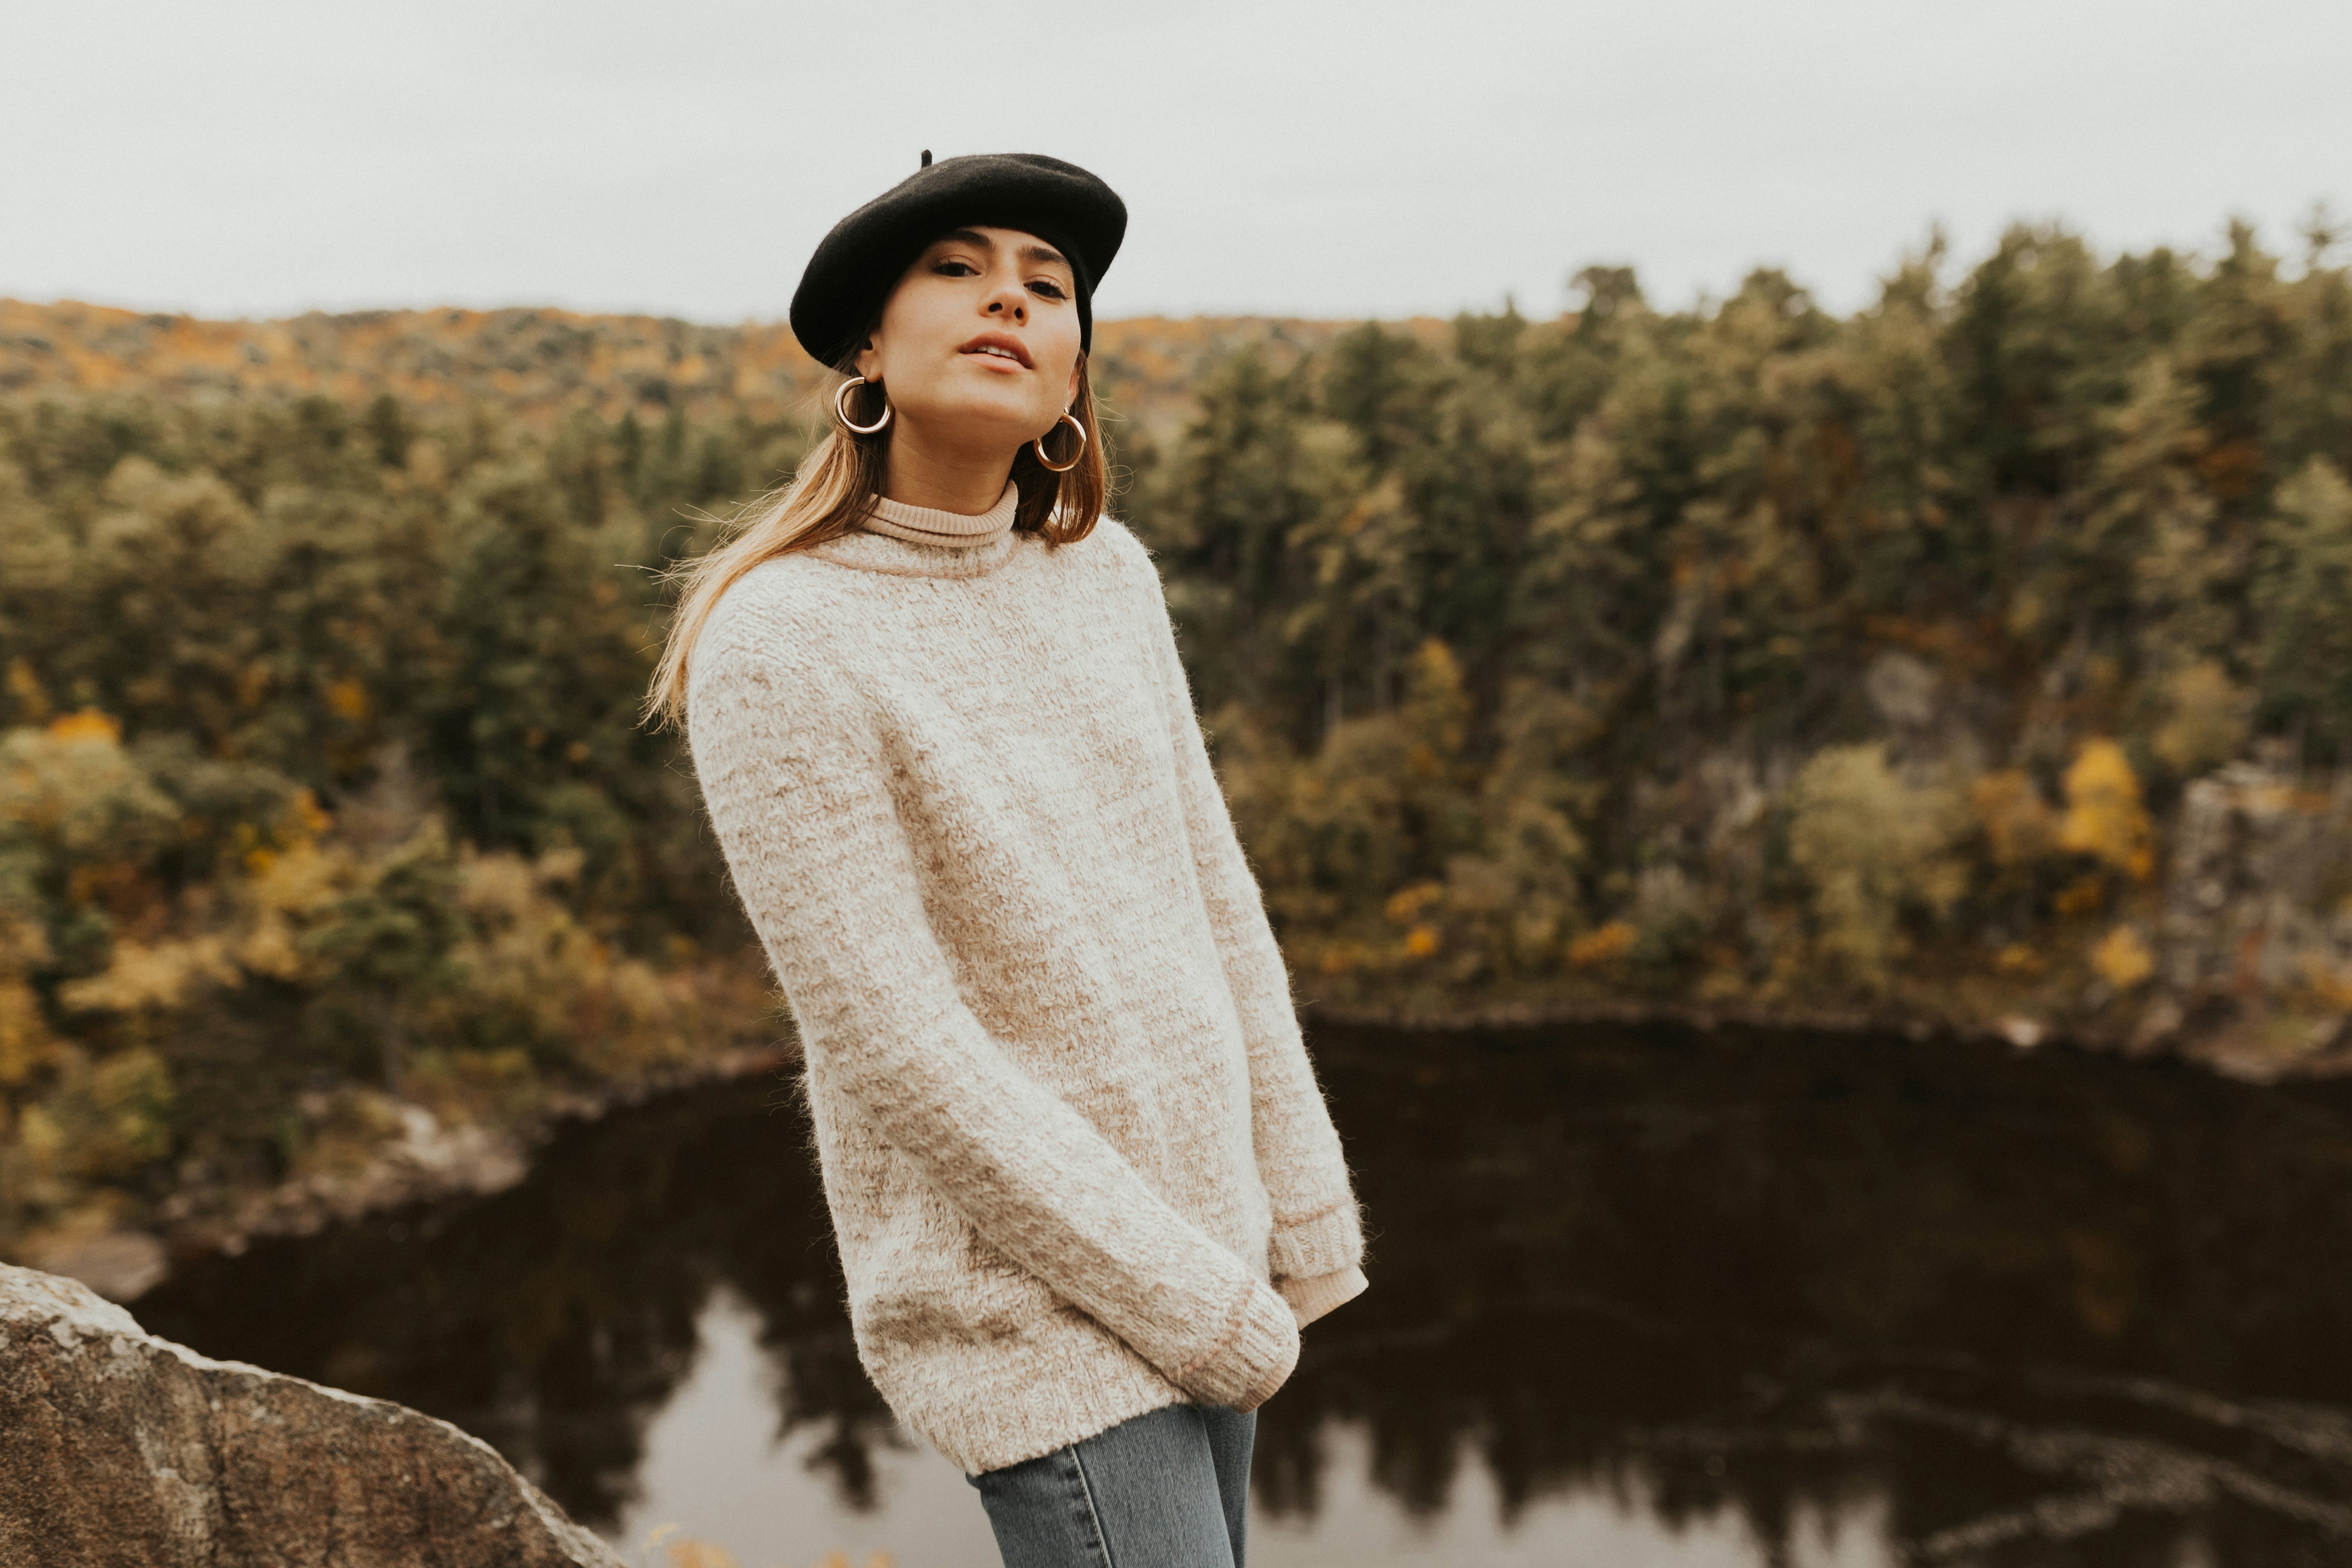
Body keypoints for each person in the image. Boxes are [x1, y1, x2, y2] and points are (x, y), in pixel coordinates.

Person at [644, 151, 1367, 1568]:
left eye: (1048, 286)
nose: (1010, 302)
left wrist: (1298, 1212)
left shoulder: (1108, 577)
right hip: (1033, 1304)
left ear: (1074, 365)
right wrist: (1183, 1301)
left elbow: (1213, 899)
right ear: (867, 343)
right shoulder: (780, 638)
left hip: (1209, 1255)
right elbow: (894, 1043)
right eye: (958, 270)